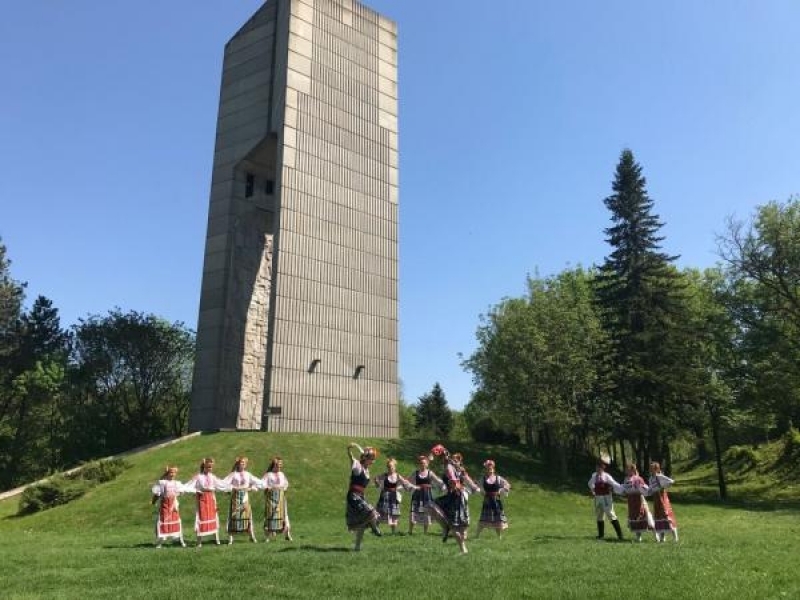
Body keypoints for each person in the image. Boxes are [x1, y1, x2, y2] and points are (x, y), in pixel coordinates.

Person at [428, 444, 480, 554]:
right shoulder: (455, 466)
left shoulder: (449, 467)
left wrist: (455, 485)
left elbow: (453, 480)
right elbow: (466, 478)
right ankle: (461, 546)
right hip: (457, 496)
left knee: (431, 507)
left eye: (438, 457)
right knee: (456, 525)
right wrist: (474, 487)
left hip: (455, 496)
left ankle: (447, 528)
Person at [184, 457, 231, 547]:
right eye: (208, 467)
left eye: (211, 467)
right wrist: (196, 491)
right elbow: (189, 485)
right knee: (201, 518)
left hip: (211, 498)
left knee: (213, 516)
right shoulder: (198, 477)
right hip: (202, 499)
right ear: (204, 467)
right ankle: (199, 541)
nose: (210, 469)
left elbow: (220, 484)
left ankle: (216, 539)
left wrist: (228, 488)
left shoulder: (212, 476)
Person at [346, 442, 382, 551]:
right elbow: (351, 459)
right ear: (366, 458)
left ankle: (357, 547)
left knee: (362, 523)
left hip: (360, 496)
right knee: (372, 514)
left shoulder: (367, 470)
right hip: (353, 496)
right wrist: (349, 450)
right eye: (371, 459)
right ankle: (375, 528)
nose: (372, 461)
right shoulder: (357, 465)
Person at [223, 456, 264, 544]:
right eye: (241, 463)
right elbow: (224, 484)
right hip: (235, 499)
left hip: (245, 498)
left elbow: (258, 482)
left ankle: (251, 536)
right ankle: (231, 538)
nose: (242, 464)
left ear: (245, 465)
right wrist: (232, 488)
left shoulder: (248, 474)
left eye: (244, 463)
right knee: (233, 517)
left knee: (248, 516)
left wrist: (251, 488)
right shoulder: (233, 474)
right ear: (238, 464)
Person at [374, 457, 417, 535]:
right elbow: (376, 479)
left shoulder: (397, 476)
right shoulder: (384, 475)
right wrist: (377, 482)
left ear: (395, 467)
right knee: (381, 512)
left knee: (394, 514)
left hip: (393, 497)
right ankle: (375, 529)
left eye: (392, 466)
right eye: (389, 466)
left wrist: (413, 487)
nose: (390, 468)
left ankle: (393, 532)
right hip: (384, 497)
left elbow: (405, 482)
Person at [150, 465, 189, 548]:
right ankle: (160, 541)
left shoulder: (176, 483)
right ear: (167, 473)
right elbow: (157, 491)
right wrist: (154, 501)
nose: (172, 474)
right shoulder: (163, 482)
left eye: (174, 472)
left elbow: (181, 491)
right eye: (171, 472)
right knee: (163, 522)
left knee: (176, 520)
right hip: (165, 505)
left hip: (173, 505)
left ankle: (180, 540)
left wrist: (180, 493)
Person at [588, 454, 625, 541]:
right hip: (598, 498)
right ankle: (601, 535)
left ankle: (620, 535)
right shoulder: (594, 476)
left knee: (611, 515)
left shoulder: (606, 476)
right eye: (597, 467)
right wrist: (593, 490)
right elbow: (589, 483)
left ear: (603, 468)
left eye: (600, 467)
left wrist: (622, 488)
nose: (598, 469)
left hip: (606, 498)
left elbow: (614, 484)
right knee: (599, 516)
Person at [407, 454, 444, 535]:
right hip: (417, 495)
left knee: (426, 512)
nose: (422, 464)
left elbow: (438, 481)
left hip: (427, 495)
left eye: (424, 463)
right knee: (414, 511)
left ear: (427, 464)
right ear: (419, 464)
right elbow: (407, 481)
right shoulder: (415, 473)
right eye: (421, 463)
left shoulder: (430, 473)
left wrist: (444, 482)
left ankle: (425, 532)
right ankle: (410, 531)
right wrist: (413, 487)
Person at [475, 459, 511, 539]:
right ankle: (476, 535)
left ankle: (499, 537)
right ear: (486, 470)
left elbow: (507, 485)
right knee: (483, 519)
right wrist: (482, 492)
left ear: (493, 469)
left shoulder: (498, 478)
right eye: (488, 469)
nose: (489, 471)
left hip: (496, 501)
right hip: (487, 501)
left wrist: (501, 491)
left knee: (497, 519)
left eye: (491, 469)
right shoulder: (483, 479)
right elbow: (477, 486)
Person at [263, 456, 292, 542]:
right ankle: (267, 537)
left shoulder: (282, 474)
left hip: (281, 498)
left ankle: (287, 534)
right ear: (274, 465)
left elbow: (286, 484)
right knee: (270, 516)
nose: (279, 466)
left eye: (280, 464)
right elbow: (262, 484)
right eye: (277, 464)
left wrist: (282, 489)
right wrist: (268, 488)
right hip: (271, 499)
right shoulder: (268, 475)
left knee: (284, 515)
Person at [622, 462, 653, 542]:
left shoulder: (638, 478)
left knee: (642, 514)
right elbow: (625, 488)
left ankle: (653, 530)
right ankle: (638, 537)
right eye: (626, 470)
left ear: (632, 470)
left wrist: (643, 489)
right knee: (633, 515)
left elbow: (644, 487)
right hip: (631, 500)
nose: (627, 471)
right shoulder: (626, 479)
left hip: (638, 499)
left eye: (628, 470)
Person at [648, 461, 678, 542]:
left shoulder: (659, 476)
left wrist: (662, 486)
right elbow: (651, 488)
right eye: (650, 468)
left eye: (652, 468)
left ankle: (675, 537)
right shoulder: (651, 478)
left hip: (662, 498)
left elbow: (671, 481)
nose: (650, 469)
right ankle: (662, 537)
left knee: (666, 515)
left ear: (656, 469)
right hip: (656, 499)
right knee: (658, 517)